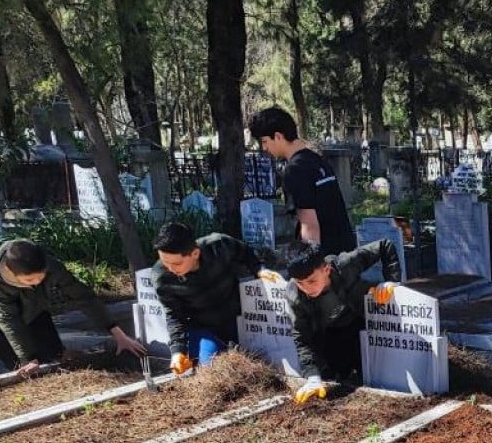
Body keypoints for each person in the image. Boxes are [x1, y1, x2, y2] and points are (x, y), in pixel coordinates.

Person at [0, 239, 147, 375]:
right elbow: (9, 322)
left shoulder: (51, 266)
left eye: (40, 278)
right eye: (29, 281)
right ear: (11, 273)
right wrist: (28, 358)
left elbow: (83, 296)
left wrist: (118, 334)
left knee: (54, 357)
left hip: (35, 310)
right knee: (14, 369)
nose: (37, 283)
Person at [152, 221, 280, 375]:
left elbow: (246, 253)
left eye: (176, 264)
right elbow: (173, 315)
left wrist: (260, 270)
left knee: (260, 359)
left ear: (195, 254)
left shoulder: (219, 245)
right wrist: (178, 351)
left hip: (237, 317)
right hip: (202, 327)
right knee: (212, 369)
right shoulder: (162, 277)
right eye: (165, 263)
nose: (170, 269)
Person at [282, 239, 401, 404]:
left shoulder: (345, 265)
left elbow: (384, 246)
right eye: (300, 283)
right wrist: (312, 376)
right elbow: (302, 338)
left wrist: (392, 281)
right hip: (331, 334)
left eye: (311, 281)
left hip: (362, 323)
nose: (307, 289)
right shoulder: (295, 296)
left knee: (378, 373)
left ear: (326, 269)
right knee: (333, 377)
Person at [247, 106, 356, 258]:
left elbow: (309, 225)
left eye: (264, 141)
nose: (264, 148)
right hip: (346, 252)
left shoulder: (294, 171)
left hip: (326, 262)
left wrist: (309, 269)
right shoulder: (318, 161)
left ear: (278, 136)